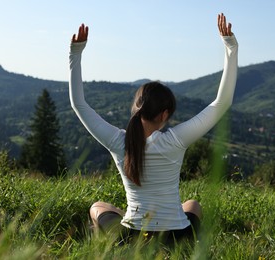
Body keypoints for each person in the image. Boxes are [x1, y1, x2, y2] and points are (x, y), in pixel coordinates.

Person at [69, 13, 238, 245]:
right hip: (177, 238)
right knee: (193, 205)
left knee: (98, 207)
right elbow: (222, 103)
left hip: (133, 239)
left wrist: (75, 54)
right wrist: (231, 48)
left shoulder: (117, 141)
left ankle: (106, 246)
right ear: (165, 114)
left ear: (136, 108)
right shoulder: (176, 140)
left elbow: (79, 104)